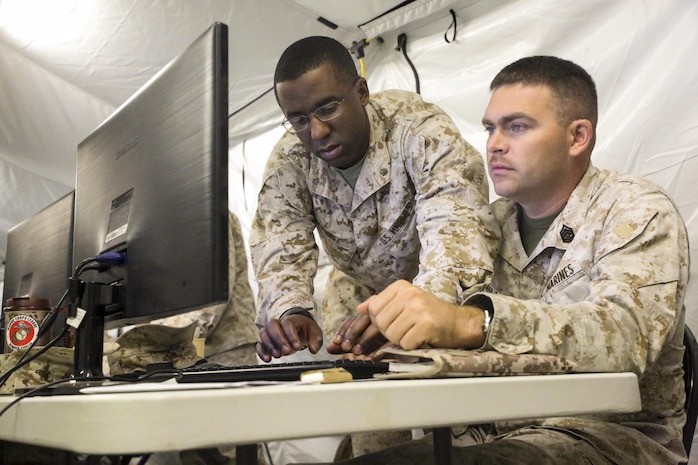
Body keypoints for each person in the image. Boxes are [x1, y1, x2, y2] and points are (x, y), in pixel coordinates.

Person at [327, 55, 690, 464]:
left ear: (577, 137)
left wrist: (473, 322)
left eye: (517, 126)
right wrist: (391, 336)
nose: (495, 144)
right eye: (490, 128)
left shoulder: (635, 210)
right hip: (486, 431)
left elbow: (628, 336)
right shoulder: (480, 225)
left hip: (604, 439)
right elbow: (433, 304)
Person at [250, 36, 499, 362]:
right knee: (359, 397)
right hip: (356, 299)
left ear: (362, 92)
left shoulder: (419, 132)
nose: (317, 132)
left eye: (328, 109)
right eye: (299, 119)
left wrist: (413, 311)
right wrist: (290, 310)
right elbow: (278, 243)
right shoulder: (291, 160)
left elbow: (456, 234)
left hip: (440, 295)